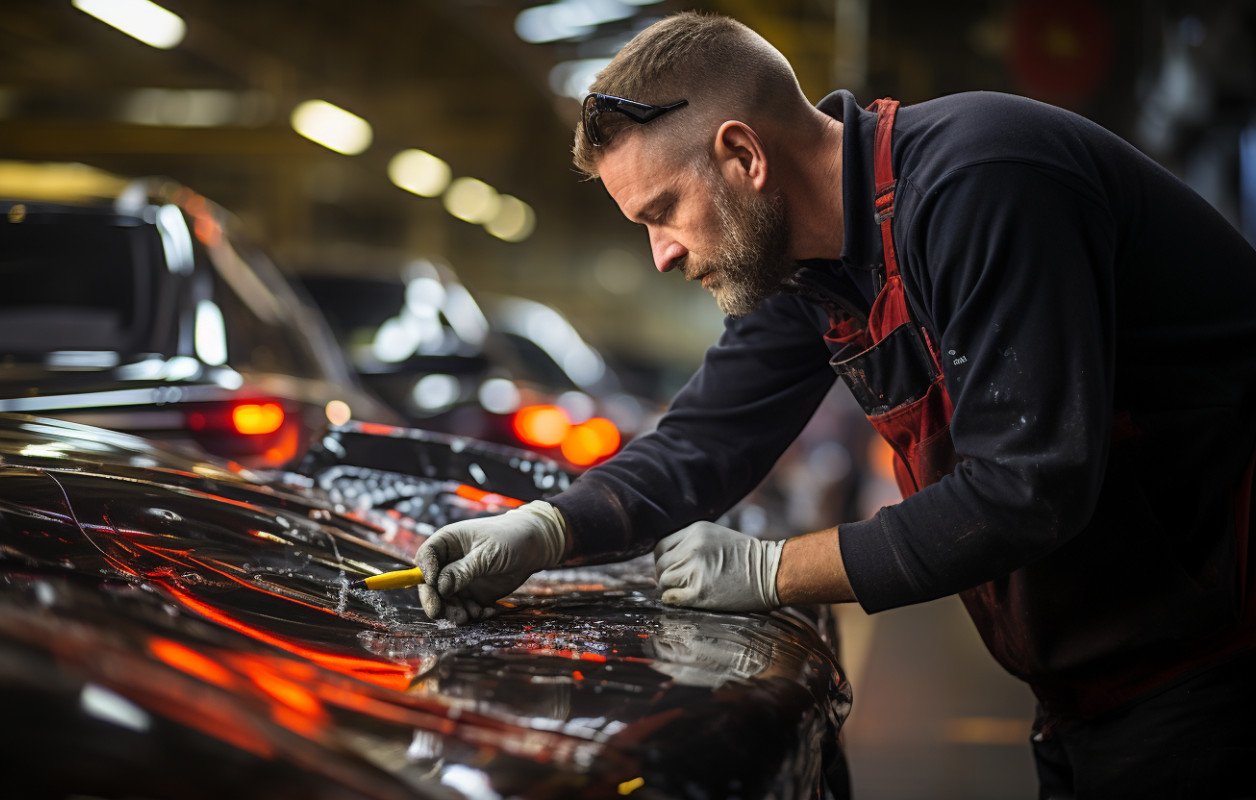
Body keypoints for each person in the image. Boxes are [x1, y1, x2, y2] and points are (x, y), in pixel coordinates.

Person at [416, 11, 1256, 797]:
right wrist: (547, 528)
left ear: (743, 155)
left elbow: (1028, 486)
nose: (661, 255)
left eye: (663, 212)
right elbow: (704, 441)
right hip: (1103, 684)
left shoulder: (983, 183)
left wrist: (773, 570)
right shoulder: (811, 266)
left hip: (1220, 664)